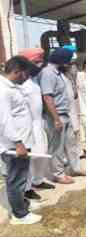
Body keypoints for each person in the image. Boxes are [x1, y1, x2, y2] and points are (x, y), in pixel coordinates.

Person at [41, 48, 86, 185]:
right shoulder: (48, 74)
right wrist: (56, 118)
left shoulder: (59, 73)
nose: (70, 63)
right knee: (57, 147)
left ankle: (74, 168)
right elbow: (47, 98)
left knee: (72, 143)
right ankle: (58, 174)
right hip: (56, 116)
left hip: (66, 114)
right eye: (69, 61)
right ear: (62, 61)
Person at [0, 56, 42, 225]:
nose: (27, 77)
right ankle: (20, 215)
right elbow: (4, 120)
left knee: (21, 177)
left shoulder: (12, 87)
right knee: (16, 180)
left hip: (20, 142)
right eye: (25, 74)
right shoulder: (3, 90)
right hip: (14, 145)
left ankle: (22, 204)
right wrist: (18, 143)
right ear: (17, 71)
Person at [18, 49, 56, 201]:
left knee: (42, 153)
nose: (39, 65)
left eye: (40, 62)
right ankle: (26, 188)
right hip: (26, 126)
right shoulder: (19, 82)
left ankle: (38, 180)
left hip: (38, 122)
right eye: (36, 62)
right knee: (29, 158)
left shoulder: (33, 79)